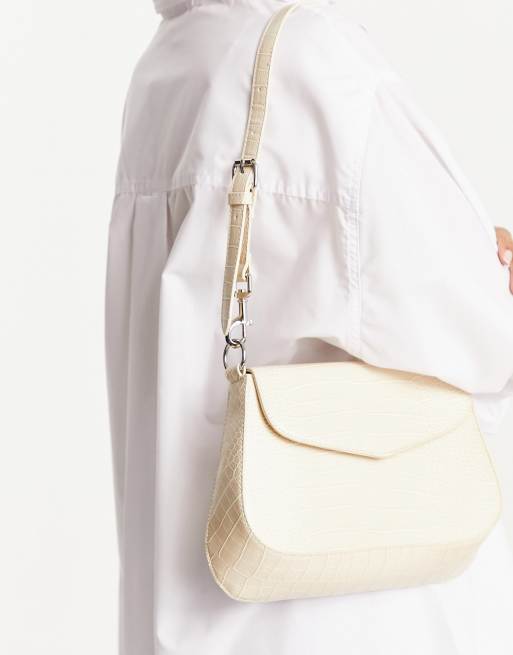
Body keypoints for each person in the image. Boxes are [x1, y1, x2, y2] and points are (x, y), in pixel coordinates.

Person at [105, 1, 513, 653]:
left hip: (195, 612)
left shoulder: (169, 64)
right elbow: (477, 337)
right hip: (350, 612)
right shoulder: (318, 62)